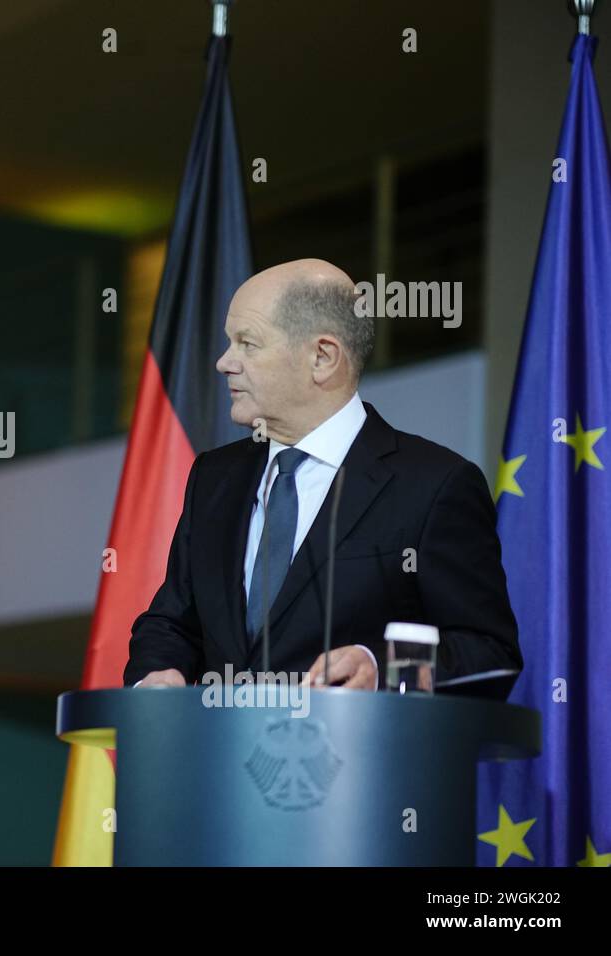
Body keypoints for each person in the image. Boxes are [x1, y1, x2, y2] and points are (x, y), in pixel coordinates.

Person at [124, 258, 521, 693]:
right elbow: (171, 623)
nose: (224, 362)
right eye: (228, 342)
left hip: (358, 758)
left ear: (322, 357)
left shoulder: (434, 484)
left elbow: (488, 652)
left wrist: (382, 669)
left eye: (247, 344)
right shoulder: (215, 479)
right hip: (222, 757)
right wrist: (159, 673)